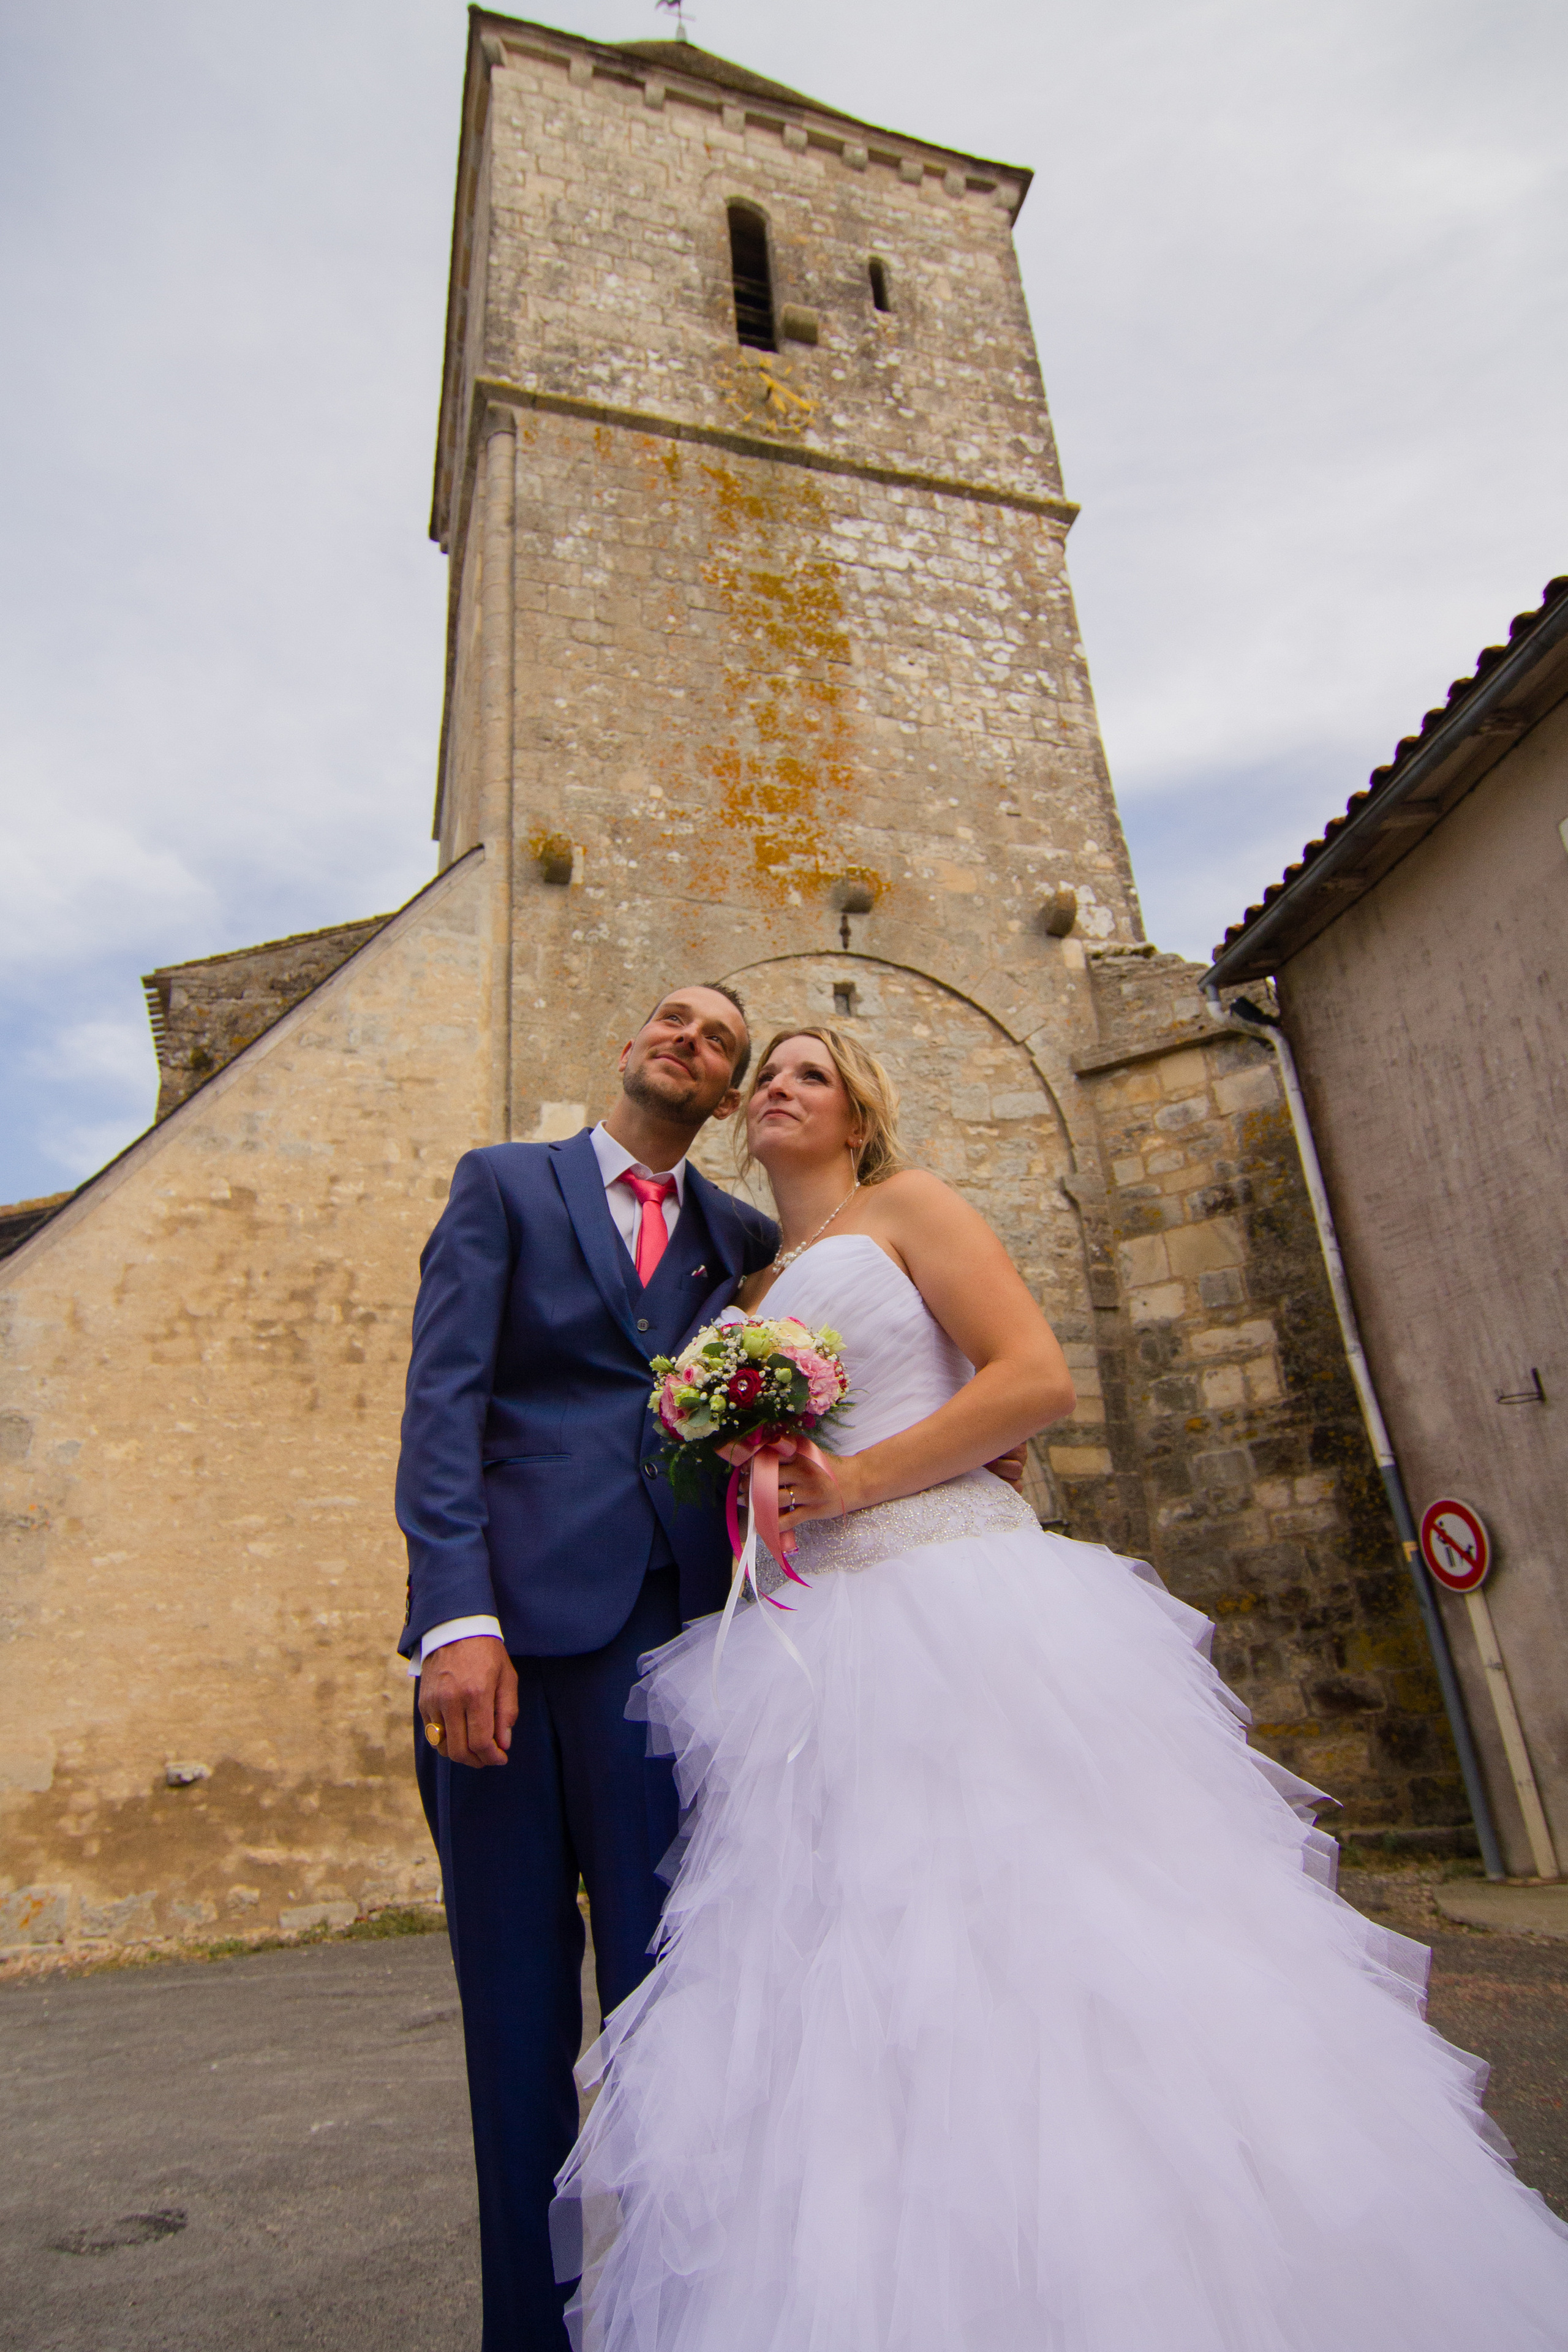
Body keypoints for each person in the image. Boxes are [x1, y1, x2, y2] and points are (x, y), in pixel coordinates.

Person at [554, 1025, 1568, 2352]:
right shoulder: (747, 1278)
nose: (780, 1089)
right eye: (771, 1076)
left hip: (955, 1605)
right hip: (815, 1646)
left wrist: (859, 1479)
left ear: (858, 1107)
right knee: (847, 1966)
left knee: (1041, 1931)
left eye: (810, 1070)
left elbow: (1034, 1378)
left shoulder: (908, 1207)